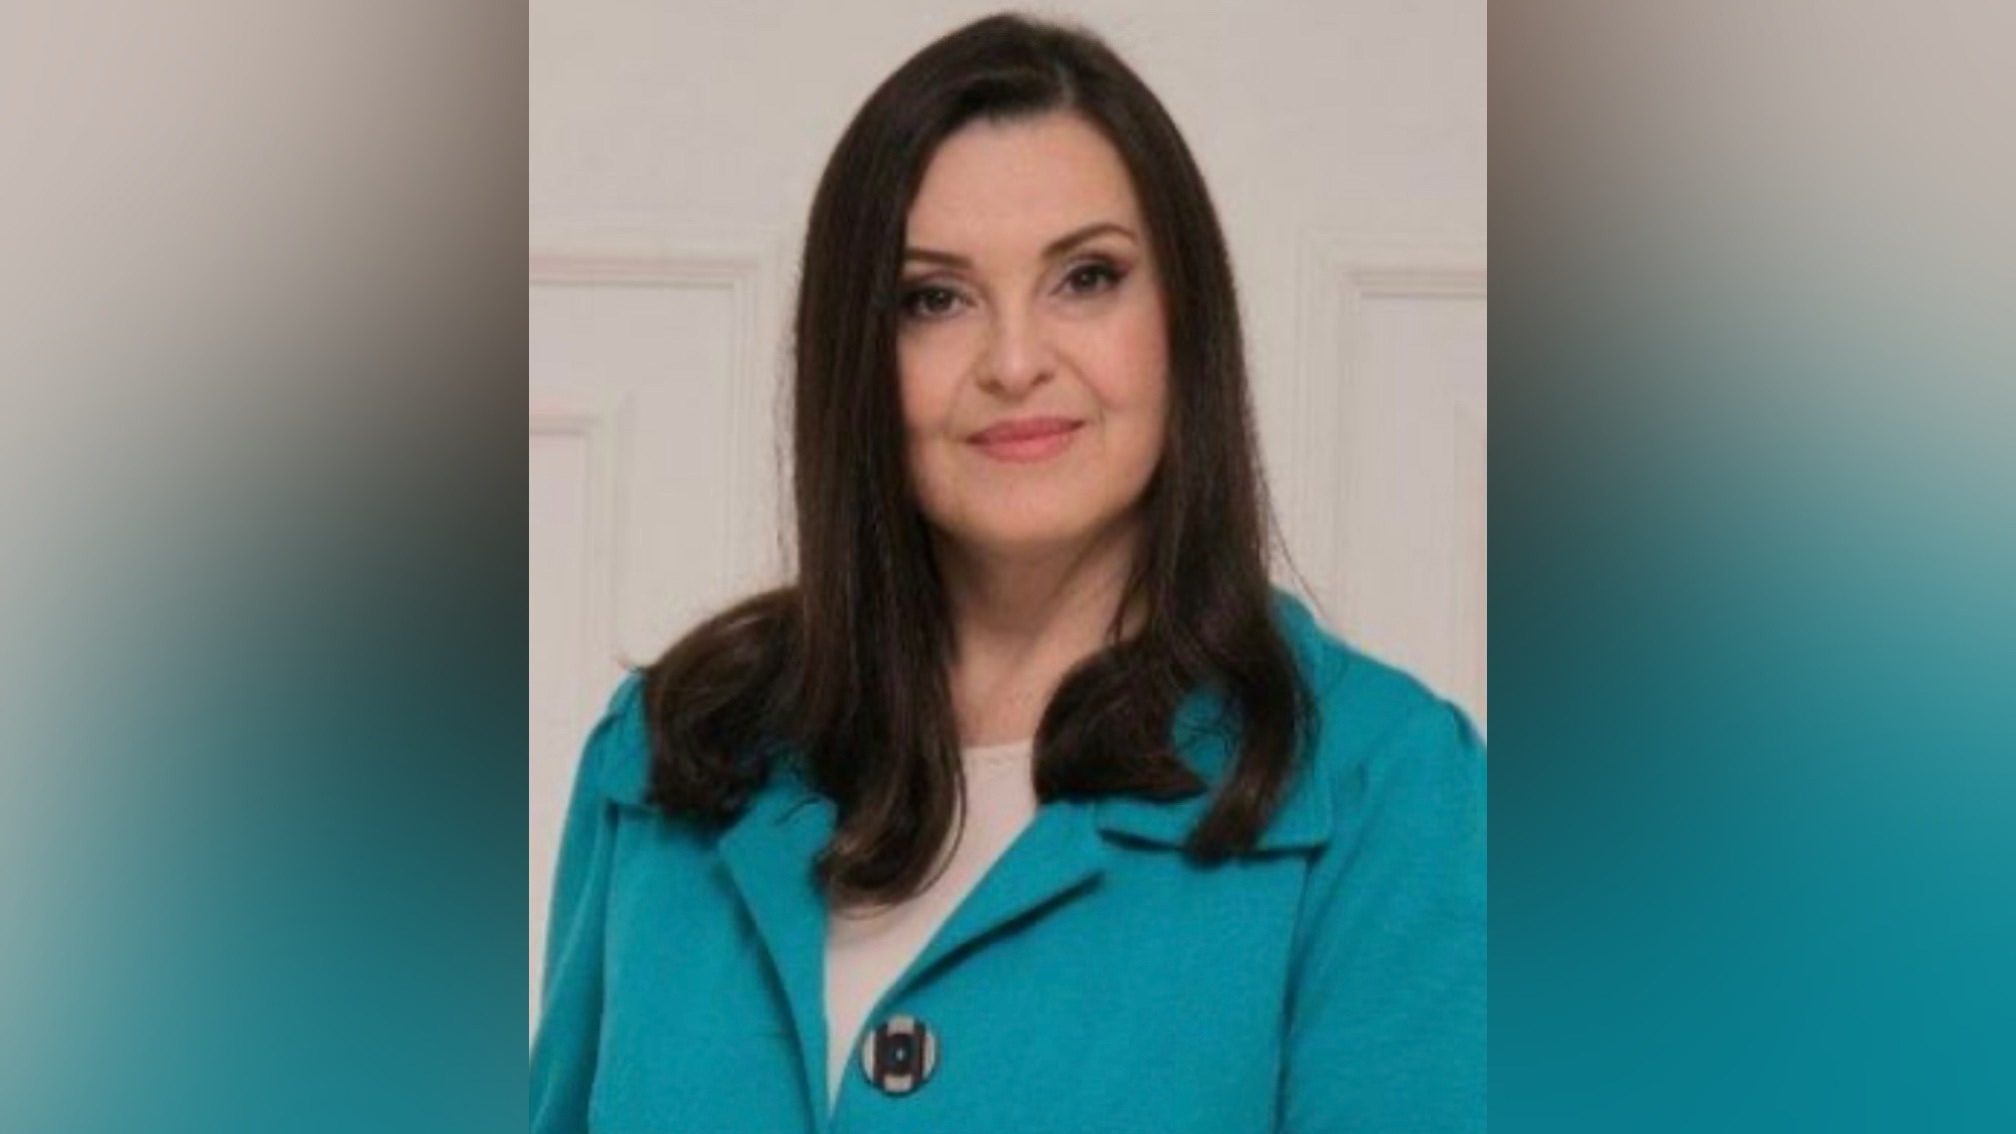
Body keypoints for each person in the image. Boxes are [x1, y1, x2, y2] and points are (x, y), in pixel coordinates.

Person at [531, 12, 1484, 1133]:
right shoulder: (673, 747)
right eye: (934, 298)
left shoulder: (1383, 784)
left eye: (1087, 277)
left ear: (1184, 320)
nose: (1016, 361)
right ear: (857, 352)